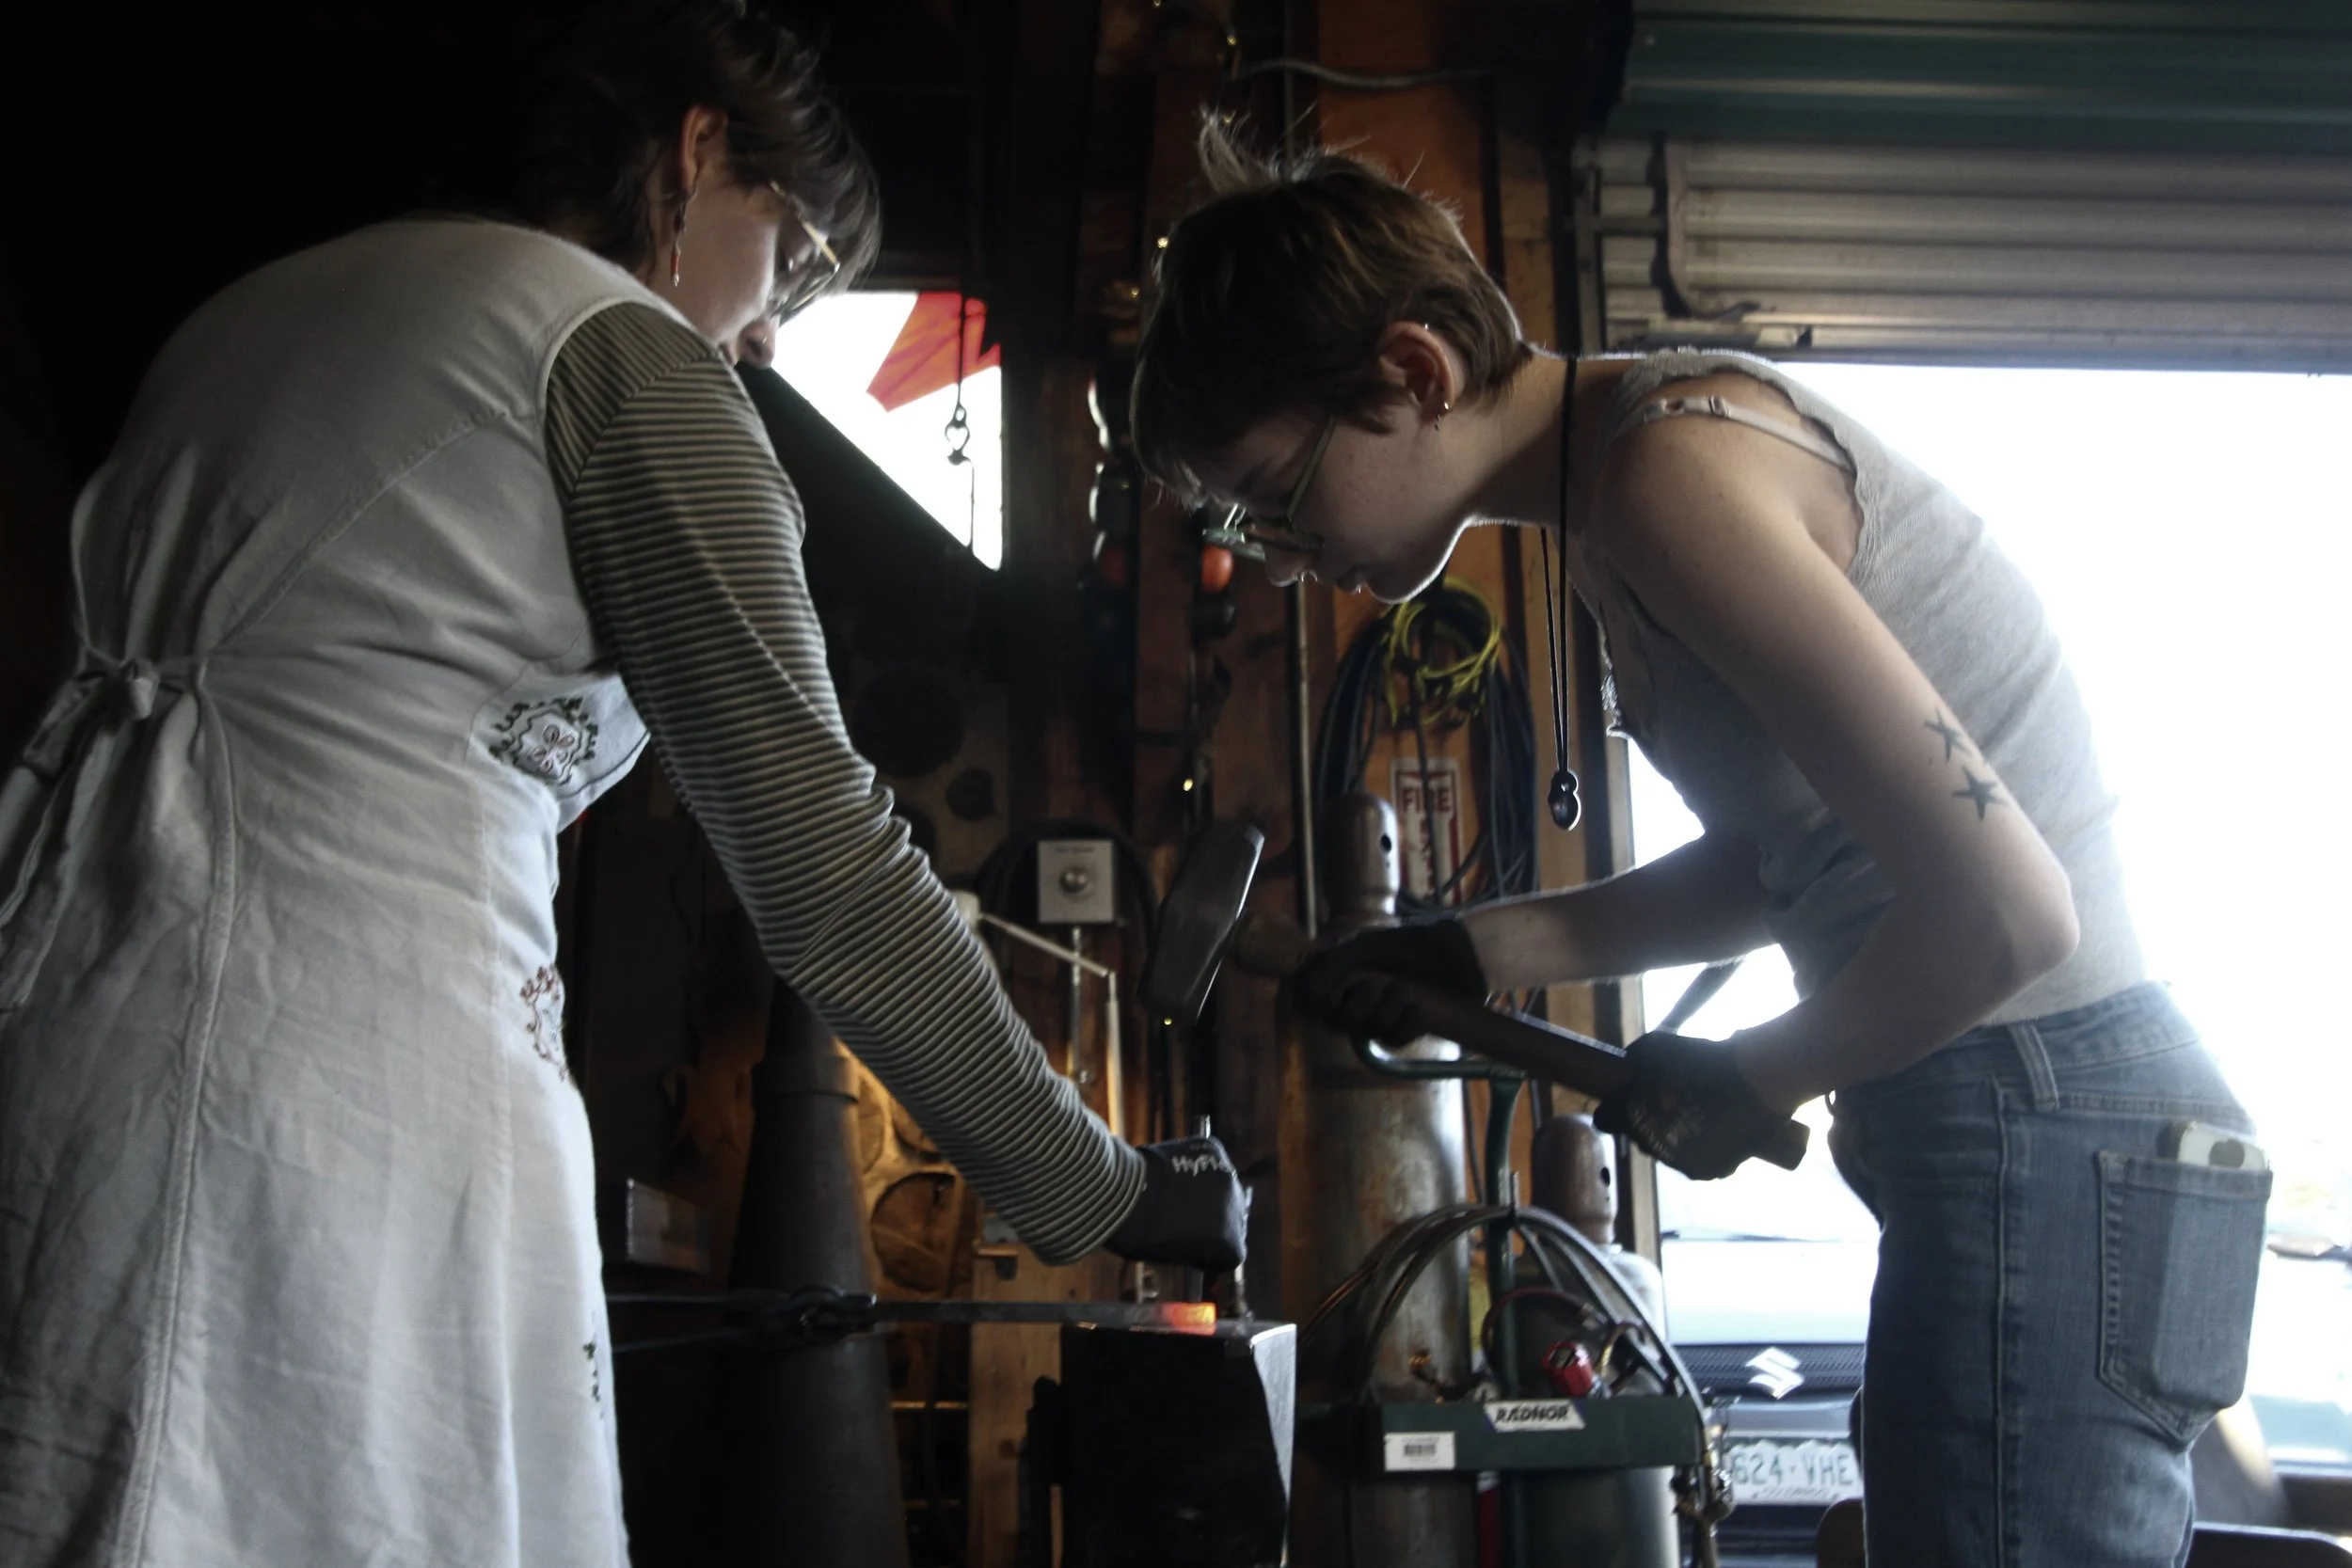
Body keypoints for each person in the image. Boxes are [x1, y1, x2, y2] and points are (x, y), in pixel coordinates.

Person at [0, 6, 1242, 1564]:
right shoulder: (615, 351)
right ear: (697, 151)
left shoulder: (284, 306)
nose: (781, 329)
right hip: (319, 1067)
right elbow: (828, 868)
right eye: (791, 261)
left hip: (75, 986)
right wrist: (1103, 1183)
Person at [1129, 121, 2269, 1568]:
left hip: (2042, 1098)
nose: (1291, 563)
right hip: (2036, 1111)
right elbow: (1792, 852)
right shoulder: (1619, 502)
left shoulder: (1669, 476)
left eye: (1282, 500)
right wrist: (1477, 947)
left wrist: (1751, 1073)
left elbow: (2005, 916)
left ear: (1412, 373)